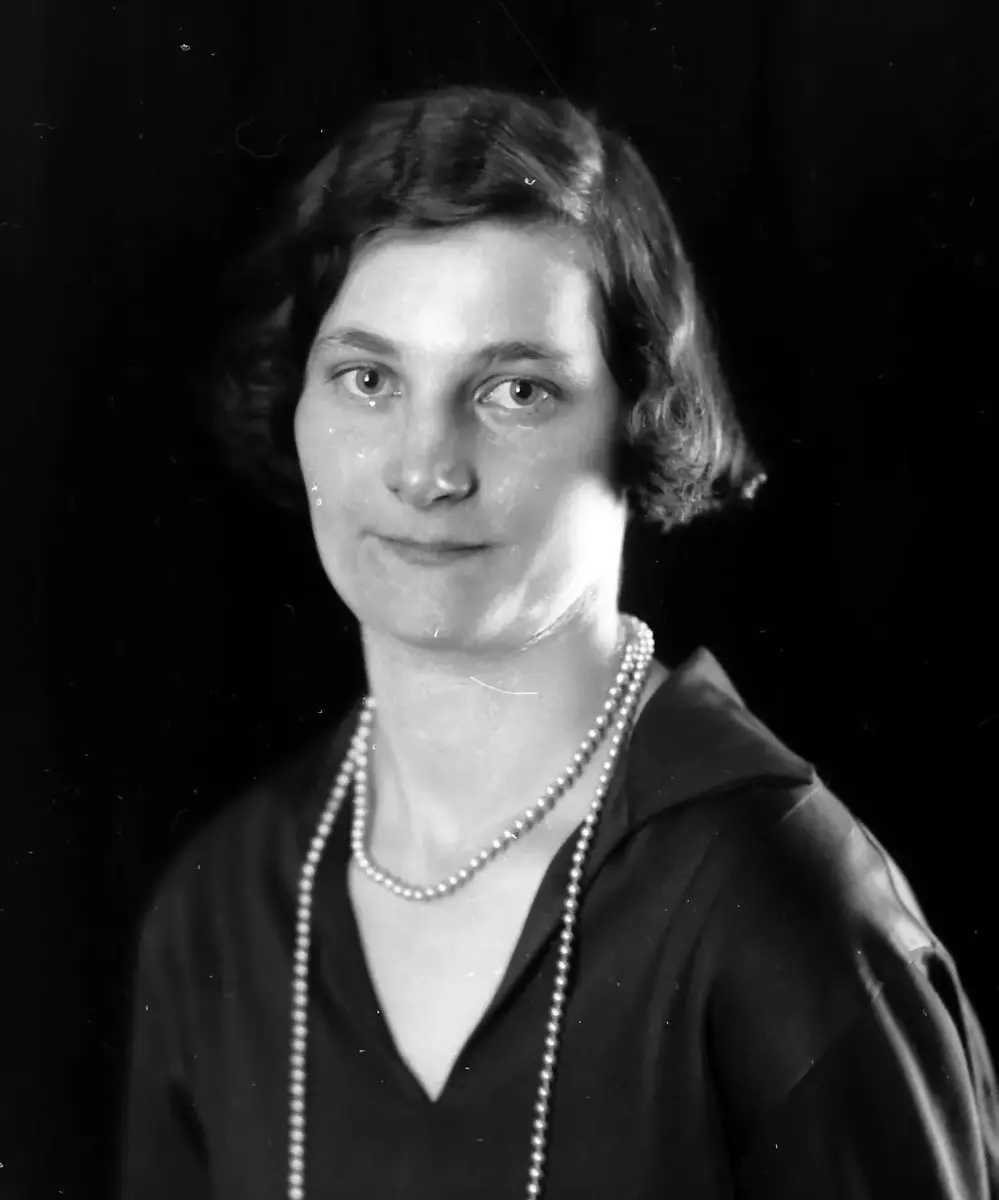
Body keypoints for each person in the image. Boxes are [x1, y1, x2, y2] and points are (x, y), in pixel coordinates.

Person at [119, 86, 999, 1199]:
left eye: (515, 390)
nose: (425, 468)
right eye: (368, 379)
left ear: (643, 418)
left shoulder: (779, 907)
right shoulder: (223, 909)